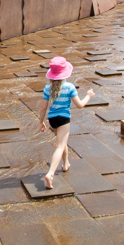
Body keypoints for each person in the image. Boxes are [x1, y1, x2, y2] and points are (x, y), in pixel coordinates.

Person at [38, 56, 95, 189]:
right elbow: (80, 105)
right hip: (63, 119)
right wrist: (89, 96)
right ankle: (50, 174)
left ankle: (66, 164)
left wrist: (41, 121)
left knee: (63, 142)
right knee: (59, 146)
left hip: (52, 119)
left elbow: (43, 107)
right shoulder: (69, 87)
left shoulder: (47, 87)